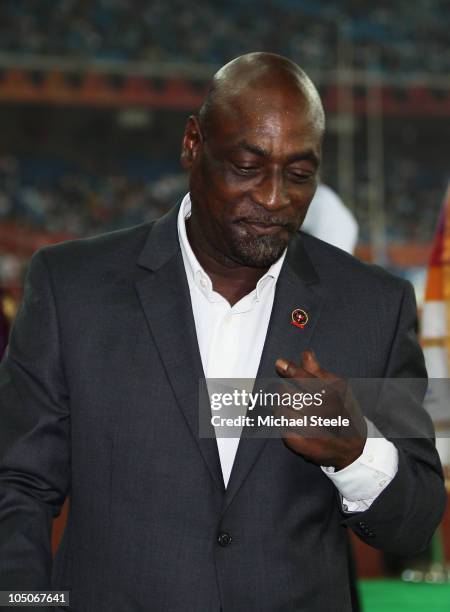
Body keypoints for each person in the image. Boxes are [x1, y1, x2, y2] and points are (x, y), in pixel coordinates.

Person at [0, 53, 446, 612]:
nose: (274, 197)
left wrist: (356, 454)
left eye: (300, 174)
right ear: (193, 144)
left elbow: (415, 522)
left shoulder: (373, 307)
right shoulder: (74, 288)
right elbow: (17, 487)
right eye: (246, 166)